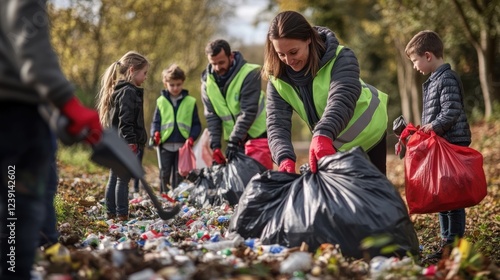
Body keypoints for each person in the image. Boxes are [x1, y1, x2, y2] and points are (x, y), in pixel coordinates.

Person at [0, 1, 103, 278]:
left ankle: (43, 249)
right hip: (16, 114)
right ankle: (15, 270)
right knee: (17, 202)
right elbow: (30, 44)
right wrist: (66, 100)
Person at [262, 11, 388, 175]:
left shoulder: (341, 57)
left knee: (375, 195)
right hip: (331, 143)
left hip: (369, 133)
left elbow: (341, 99)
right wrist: (283, 156)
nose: (288, 60)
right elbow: (276, 123)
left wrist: (323, 134)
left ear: (308, 38)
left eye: (293, 52)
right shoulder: (277, 79)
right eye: (281, 54)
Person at [405, 30, 471, 260]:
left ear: (428, 55)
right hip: (440, 143)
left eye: (415, 61)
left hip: (451, 142)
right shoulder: (434, 80)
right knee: (443, 197)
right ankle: (447, 243)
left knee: (452, 198)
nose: (414, 66)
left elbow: (451, 110)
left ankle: (454, 245)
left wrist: (433, 126)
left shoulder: (447, 78)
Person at [201, 39, 273, 170]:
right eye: (213, 64)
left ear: (231, 56)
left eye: (221, 62)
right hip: (235, 139)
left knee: (260, 179)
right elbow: (212, 117)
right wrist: (216, 146)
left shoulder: (249, 73)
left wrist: (234, 140)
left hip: (258, 134)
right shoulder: (207, 84)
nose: (217, 68)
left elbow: (248, 110)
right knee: (239, 182)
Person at [96, 51, 149, 221]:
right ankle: (122, 214)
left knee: (114, 178)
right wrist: (131, 143)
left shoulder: (118, 90)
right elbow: (125, 121)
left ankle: (111, 212)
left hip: (115, 142)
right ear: (132, 70)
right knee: (122, 180)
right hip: (124, 142)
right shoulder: (128, 92)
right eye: (144, 73)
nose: (145, 77)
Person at [150, 64, 201, 191]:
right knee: (164, 172)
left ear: (183, 82)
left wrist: (192, 137)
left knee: (180, 173)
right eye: (172, 85)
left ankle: (178, 196)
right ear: (165, 83)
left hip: (183, 145)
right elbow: (156, 121)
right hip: (165, 144)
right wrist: (155, 133)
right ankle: (164, 196)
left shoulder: (190, 102)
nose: (175, 88)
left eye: (178, 84)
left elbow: (196, 124)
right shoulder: (161, 101)